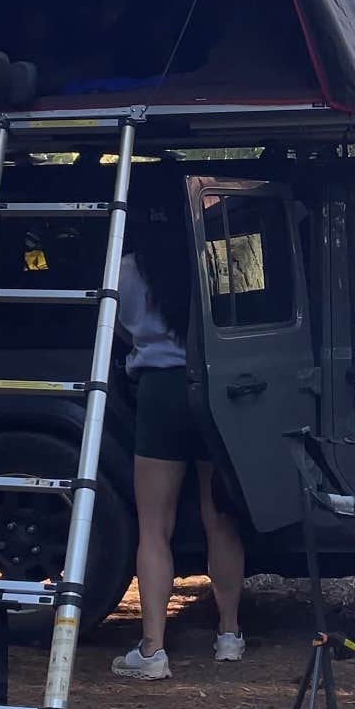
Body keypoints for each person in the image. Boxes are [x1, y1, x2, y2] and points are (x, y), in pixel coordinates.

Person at [112, 180, 246, 680]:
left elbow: (121, 330)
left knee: (155, 527)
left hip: (160, 393)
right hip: (214, 392)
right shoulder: (220, 261)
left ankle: (153, 651)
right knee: (221, 517)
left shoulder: (126, 268)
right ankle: (229, 635)